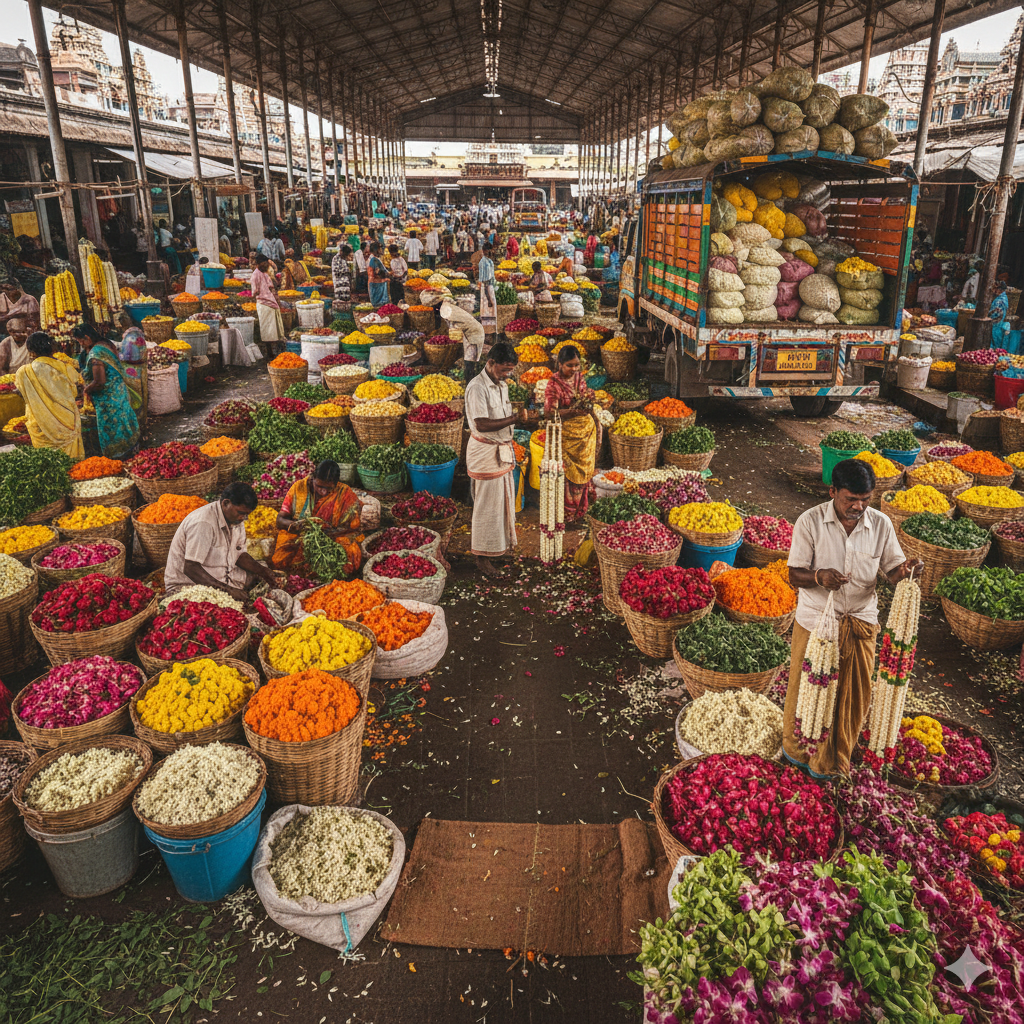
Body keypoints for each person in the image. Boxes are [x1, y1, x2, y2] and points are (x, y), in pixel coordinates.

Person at [783, 459, 923, 779]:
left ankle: (838, 757)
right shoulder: (810, 522)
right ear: (832, 491)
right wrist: (819, 577)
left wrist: (908, 572)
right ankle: (801, 756)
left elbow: (892, 572)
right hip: (817, 622)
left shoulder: (881, 525)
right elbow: (794, 574)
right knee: (807, 695)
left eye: (866, 499)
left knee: (854, 696)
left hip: (860, 622)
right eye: (850, 499)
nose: (858, 506)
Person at [464, 342, 524, 576]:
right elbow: (481, 423)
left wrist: (514, 421)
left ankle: (496, 550)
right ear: (490, 363)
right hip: (485, 452)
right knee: (486, 507)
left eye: (510, 370)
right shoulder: (477, 387)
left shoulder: (502, 386)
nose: (507, 374)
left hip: (500, 450)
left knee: (500, 503)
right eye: (503, 369)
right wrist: (514, 419)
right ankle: (481, 557)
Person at [164, 482, 277, 601]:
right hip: (190, 584)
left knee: (261, 570)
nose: (243, 518)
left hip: (221, 574)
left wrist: (264, 572)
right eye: (240, 513)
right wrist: (227, 591)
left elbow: (239, 555)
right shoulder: (203, 523)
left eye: (246, 515)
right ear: (226, 503)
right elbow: (191, 568)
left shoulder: (235, 519)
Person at [271, 460, 364, 576]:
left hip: (332, 538)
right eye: (319, 486)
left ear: (336, 484)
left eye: (329, 488)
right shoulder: (298, 488)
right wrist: (297, 525)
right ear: (312, 478)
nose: (323, 492)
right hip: (301, 535)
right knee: (282, 554)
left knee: (350, 553)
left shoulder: (344, 493)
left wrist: (329, 532)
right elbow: (280, 520)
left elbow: (353, 527)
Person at [543, 346, 599, 522]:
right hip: (565, 436)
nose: (574, 369)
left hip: (584, 434)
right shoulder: (553, 384)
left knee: (584, 472)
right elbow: (549, 413)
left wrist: (593, 415)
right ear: (559, 364)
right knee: (568, 474)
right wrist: (573, 412)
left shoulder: (579, 378)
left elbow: (584, 399)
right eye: (569, 365)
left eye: (577, 365)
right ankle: (567, 514)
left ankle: (581, 510)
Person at [72, 324, 141, 459]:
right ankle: (131, 451)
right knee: (124, 420)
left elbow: (99, 381)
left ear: (87, 337)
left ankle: (118, 456)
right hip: (119, 390)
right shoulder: (106, 344)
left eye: (81, 341)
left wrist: (86, 389)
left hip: (108, 398)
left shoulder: (96, 354)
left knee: (113, 426)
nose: (81, 344)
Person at [14, 331, 83, 459]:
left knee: (48, 463)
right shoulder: (66, 368)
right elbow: (76, 392)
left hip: (40, 423)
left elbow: (22, 393)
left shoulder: (24, 372)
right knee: (73, 463)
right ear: (51, 347)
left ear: (31, 351)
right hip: (67, 421)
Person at [251, 254, 285, 352]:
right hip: (264, 304)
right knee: (267, 329)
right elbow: (255, 292)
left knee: (272, 329)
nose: (266, 265)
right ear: (258, 264)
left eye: (267, 263)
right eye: (264, 263)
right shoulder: (255, 275)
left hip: (271, 303)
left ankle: (276, 350)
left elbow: (271, 287)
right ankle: (269, 352)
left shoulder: (264, 273)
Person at [367, 242, 390, 307]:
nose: (381, 250)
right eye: (380, 248)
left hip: (377, 284)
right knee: (379, 306)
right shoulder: (373, 260)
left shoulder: (375, 259)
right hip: (377, 286)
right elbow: (377, 273)